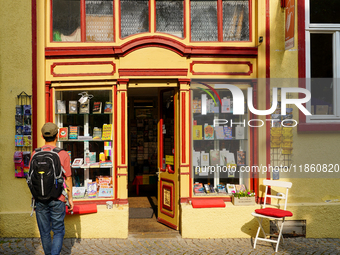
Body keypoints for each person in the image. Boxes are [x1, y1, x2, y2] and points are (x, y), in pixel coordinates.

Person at [32, 122, 74, 255]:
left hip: (39, 198)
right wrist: (70, 199)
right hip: (58, 197)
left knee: (44, 232)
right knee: (58, 231)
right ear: (57, 136)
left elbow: (33, 178)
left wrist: (34, 197)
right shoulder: (63, 154)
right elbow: (68, 178)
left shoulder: (35, 153)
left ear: (42, 136)